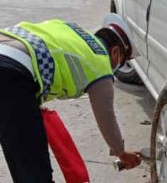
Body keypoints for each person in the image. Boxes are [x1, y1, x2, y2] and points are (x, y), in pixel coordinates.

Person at [0, 14, 142, 182]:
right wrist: (121, 152)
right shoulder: (100, 63)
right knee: (35, 173)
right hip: (11, 72)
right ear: (116, 52)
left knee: (19, 154)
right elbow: (106, 117)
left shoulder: (72, 29)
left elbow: (42, 51)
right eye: (122, 60)